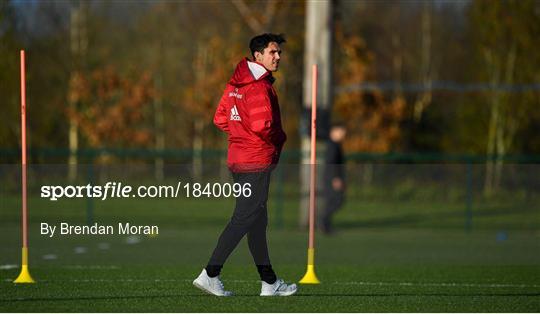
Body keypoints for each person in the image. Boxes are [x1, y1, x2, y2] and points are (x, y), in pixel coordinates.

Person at [192, 33, 297, 297]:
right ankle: (210, 274)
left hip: (238, 160)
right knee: (244, 219)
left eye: (279, 52)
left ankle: (269, 281)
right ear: (258, 55)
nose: (278, 57)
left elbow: (220, 119)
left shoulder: (234, 83)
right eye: (273, 52)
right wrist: (277, 139)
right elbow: (264, 126)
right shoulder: (260, 87)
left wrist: (241, 135)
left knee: (256, 222)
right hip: (255, 162)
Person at [320, 125, 347, 235]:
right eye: (341, 131)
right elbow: (331, 163)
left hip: (333, 177)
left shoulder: (336, 145)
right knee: (336, 200)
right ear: (334, 131)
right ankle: (323, 223)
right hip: (332, 178)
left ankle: (325, 224)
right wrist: (336, 178)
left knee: (335, 201)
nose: (343, 134)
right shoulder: (332, 146)